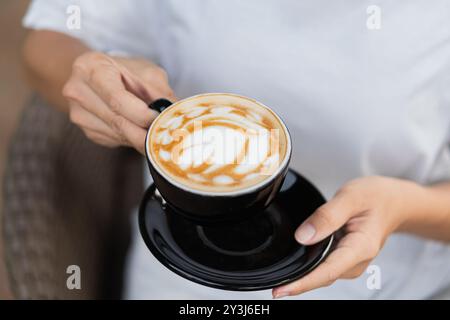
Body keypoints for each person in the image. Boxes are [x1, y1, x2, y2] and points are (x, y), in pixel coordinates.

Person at [22, 0, 450, 299]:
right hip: (183, 277)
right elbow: (49, 40)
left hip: (388, 282)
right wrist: (95, 77)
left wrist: (406, 207)